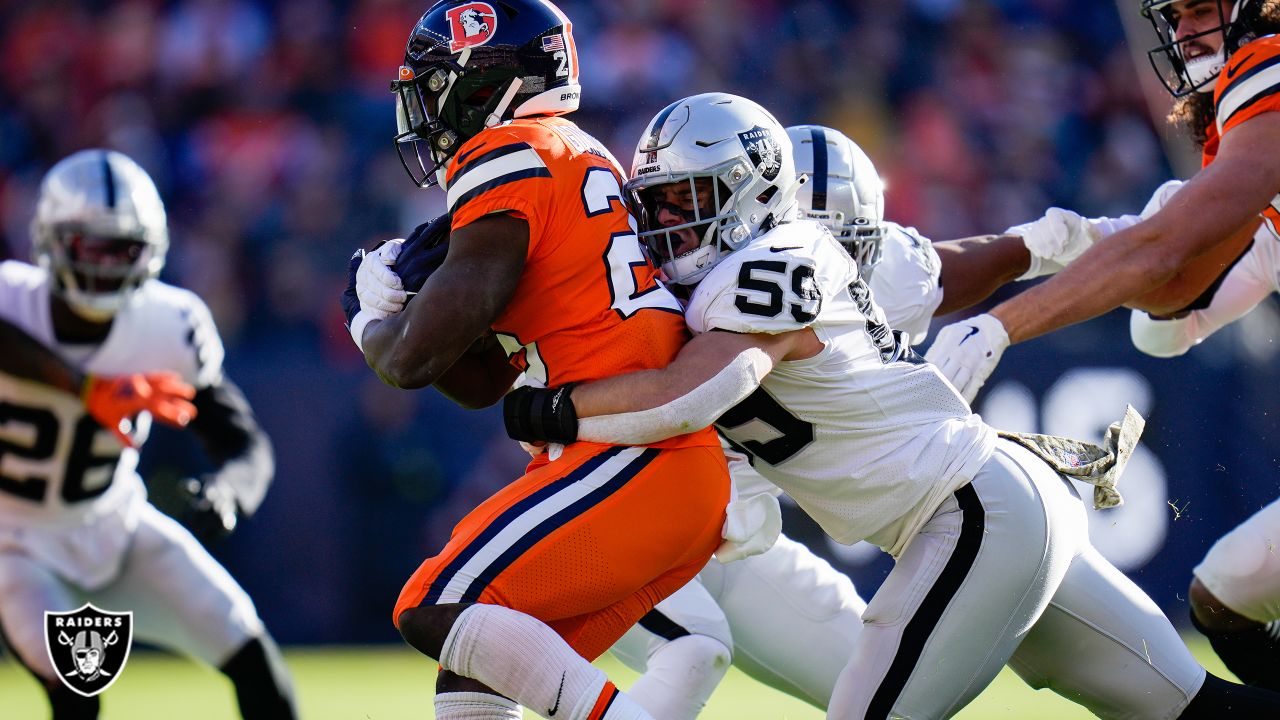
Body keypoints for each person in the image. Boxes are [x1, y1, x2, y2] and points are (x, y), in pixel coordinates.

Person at [504, 91, 1280, 719]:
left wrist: (545, 409)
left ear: (757, 193)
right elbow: (946, 269)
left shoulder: (775, 262)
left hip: (975, 514)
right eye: (660, 203)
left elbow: (696, 389)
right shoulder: (738, 275)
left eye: (689, 199)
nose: (670, 221)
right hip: (993, 508)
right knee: (1188, 709)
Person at [601, 124, 1117, 718]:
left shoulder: (849, 272)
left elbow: (991, 259)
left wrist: (1122, 237)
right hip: (638, 516)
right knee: (693, 652)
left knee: (871, 681)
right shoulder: (682, 272)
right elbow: (669, 391)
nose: (821, 258)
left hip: (734, 541)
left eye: (846, 246)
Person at [345, 2, 731, 719]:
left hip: (632, 456)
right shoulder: (573, 154)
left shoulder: (508, 153)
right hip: (645, 467)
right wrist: (405, 309)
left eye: (439, 85)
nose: (427, 107)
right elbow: (481, 379)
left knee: (433, 606)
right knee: (476, 678)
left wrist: (370, 318)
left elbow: (411, 363)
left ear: (493, 84)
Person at [0, 149, 295, 719]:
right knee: (78, 690)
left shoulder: (168, 325)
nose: (107, 265)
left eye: (123, 249)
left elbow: (243, 443)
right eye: (92, 246)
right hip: (14, 542)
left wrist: (230, 494)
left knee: (251, 652)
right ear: (51, 240)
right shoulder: (14, 298)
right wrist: (87, 389)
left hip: (115, 522)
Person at [925, 0, 1280, 402]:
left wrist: (998, 327)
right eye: (1175, 19)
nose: (1183, 36)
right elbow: (1176, 289)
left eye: (1199, 12)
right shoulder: (1248, 144)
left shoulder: (1266, 65)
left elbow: (1163, 253)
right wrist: (1071, 245)